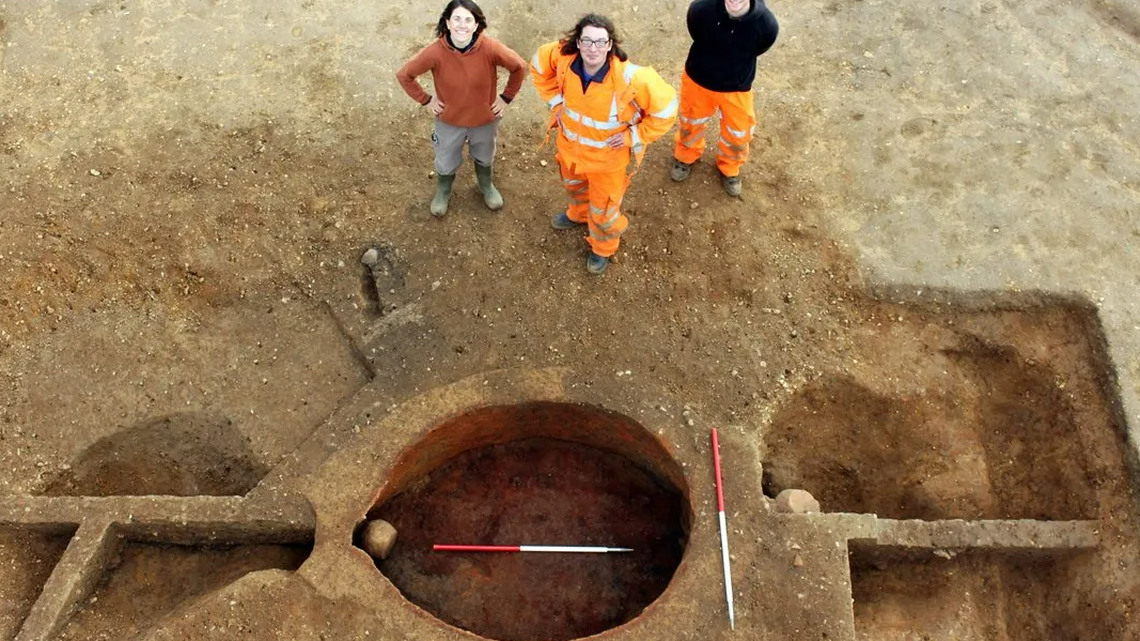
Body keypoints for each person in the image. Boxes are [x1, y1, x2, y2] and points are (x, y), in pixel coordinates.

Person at [531, 14, 678, 274]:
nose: (593, 48)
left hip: (607, 163)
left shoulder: (632, 78)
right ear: (577, 42)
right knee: (574, 188)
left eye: (600, 42)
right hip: (570, 152)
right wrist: (556, 102)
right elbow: (538, 66)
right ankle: (578, 214)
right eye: (586, 40)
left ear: (610, 45)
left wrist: (635, 135)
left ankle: (603, 249)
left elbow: (667, 109)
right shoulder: (561, 58)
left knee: (604, 209)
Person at [396, 0, 527, 216]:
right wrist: (426, 100)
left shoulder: (490, 48)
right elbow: (405, 75)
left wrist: (506, 97)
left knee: (485, 155)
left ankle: (485, 184)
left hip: (484, 119)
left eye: (468, 20)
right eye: (456, 19)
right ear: (447, 22)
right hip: (449, 120)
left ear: (477, 25)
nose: (462, 25)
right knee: (445, 158)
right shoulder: (435, 51)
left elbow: (519, 67)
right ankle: (444, 188)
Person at [671, 0, 778, 196]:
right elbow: (696, 32)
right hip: (698, 80)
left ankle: (730, 166)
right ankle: (685, 154)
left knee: (738, 132)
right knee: (690, 122)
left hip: (737, 88)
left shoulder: (766, 25)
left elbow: (760, 47)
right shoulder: (700, 10)